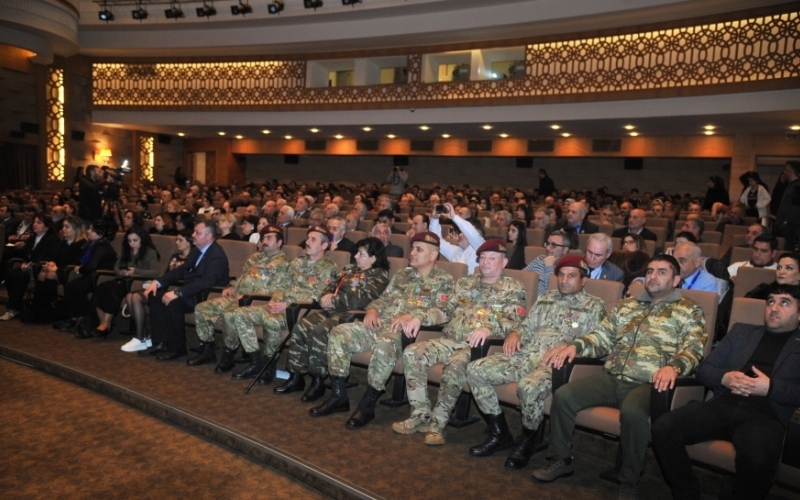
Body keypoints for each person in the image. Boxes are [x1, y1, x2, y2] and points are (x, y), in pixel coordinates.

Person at [534, 254, 707, 500]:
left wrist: (675, 367)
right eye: (649, 271)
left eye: (661, 272)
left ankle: (629, 479)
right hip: (612, 377)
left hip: (650, 383)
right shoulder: (628, 306)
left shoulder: (688, 310)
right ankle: (560, 459)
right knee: (564, 396)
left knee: (634, 413)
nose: (652, 277)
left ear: (676, 279)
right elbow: (602, 337)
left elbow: (694, 349)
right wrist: (577, 346)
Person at [651, 283, 800, 500]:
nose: (774, 308)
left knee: (757, 460)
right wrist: (725, 378)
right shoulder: (742, 332)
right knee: (663, 428)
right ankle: (687, 493)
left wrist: (770, 388)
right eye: (770, 302)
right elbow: (705, 369)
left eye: (784, 303)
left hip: (765, 416)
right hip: (723, 404)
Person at [466, 256, 606, 466]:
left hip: (557, 365)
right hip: (526, 355)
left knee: (528, 387)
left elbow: (600, 345)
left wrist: (573, 348)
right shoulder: (546, 298)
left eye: (572, 275)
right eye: (561, 275)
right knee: (475, 369)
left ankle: (528, 438)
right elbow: (526, 326)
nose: (565, 280)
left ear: (584, 280)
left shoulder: (594, 306)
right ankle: (500, 433)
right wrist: (514, 333)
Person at [394, 239, 526, 445]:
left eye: (492, 258)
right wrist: (421, 317)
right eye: (482, 257)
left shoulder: (513, 288)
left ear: (504, 262)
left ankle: (438, 424)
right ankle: (420, 415)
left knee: (455, 365)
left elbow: (514, 321)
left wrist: (489, 328)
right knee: (412, 352)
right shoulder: (465, 283)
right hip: (450, 340)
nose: (486, 262)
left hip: (480, 348)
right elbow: (445, 310)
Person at [325, 231, 454, 429]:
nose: (412, 252)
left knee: (384, 344)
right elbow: (384, 298)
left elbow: (445, 311)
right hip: (380, 323)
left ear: (433, 255)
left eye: (419, 249)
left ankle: (368, 403)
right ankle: (338, 395)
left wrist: (415, 316)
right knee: (339, 332)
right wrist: (373, 310)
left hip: (406, 333)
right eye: (412, 248)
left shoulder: (444, 280)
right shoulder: (402, 275)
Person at [279, 237, 390, 412]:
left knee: (321, 330)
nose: (356, 256)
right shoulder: (348, 270)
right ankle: (296, 376)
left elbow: (360, 300)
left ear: (373, 258)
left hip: (353, 317)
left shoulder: (379, 276)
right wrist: (326, 295)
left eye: (361, 254)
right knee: (302, 326)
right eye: (357, 252)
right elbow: (330, 285)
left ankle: (319, 380)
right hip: (333, 310)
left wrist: (334, 300)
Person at [224, 225, 339, 382]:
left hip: (300, 311)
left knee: (271, 321)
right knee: (239, 314)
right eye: (308, 238)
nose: (307, 241)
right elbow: (282, 286)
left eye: (313, 239)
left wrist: (287, 304)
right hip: (281, 305)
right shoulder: (297, 262)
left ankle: (269, 366)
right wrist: (276, 300)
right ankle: (256, 362)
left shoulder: (329, 268)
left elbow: (317, 295)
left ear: (324, 246)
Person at [189, 224, 290, 370]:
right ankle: (207, 350)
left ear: (280, 243)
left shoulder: (283, 264)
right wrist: (231, 286)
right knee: (202, 308)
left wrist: (248, 295)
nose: (264, 241)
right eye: (262, 238)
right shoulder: (254, 258)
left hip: (254, 302)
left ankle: (229, 354)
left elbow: (276, 290)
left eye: (269, 238)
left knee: (229, 315)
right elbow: (242, 278)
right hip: (236, 297)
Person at [140, 221, 230, 361]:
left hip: (207, 296)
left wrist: (177, 292)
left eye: (197, 233)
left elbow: (207, 281)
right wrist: (157, 282)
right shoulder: (196, 250)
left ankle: (177, 348)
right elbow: (182, 270)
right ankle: (161, 342)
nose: (193, 235)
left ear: (209, 236)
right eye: (194, 232)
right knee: (155, 296)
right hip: (192, 292)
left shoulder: (216, 254)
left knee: (174, 302)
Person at [121, 229, 194, 352]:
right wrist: (155, 285)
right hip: (165, 289)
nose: (176, 242)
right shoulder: (174, 257)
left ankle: (140, 338)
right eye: (176, 239)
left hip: (179, 292)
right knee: (129, 296)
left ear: (189, 242)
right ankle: (144, 336)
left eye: (180, 240)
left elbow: (185, 278)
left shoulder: (192, 258)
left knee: (136, 297)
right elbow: (166, 276)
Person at [89, 227, 160, 337]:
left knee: (114, 290)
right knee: (101, 287)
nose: (132, 243)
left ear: (142, 239)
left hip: (137, 282)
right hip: (123, 280)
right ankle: (103, 323)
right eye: (129, 241)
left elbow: (155, 272)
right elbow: (116, 267)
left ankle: (105, 324)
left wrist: (135, 271)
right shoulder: (127, 252)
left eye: (135, 240)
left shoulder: (150, 252)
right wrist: (121, 272)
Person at [53, 220, 118, 334]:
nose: (88, 231)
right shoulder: (92, 244)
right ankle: (76, 318)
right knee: (71, 286)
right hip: (91, 275)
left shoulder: (102, 246)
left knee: (76, 287)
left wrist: (80, 270)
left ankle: (84, 319)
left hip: (101, 277)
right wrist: (80, 269)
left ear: (100, 233)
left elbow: (92, 265)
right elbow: (83, 263)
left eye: (92, 230)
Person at [0, 214, 59, 321]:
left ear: (46, 226)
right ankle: (15, 305)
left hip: (39, 269)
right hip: (28, 267)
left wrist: (31, 263)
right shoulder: (32, 238)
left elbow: (50, 257)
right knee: (10, 274)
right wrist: (24, 262)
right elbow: (27, 254)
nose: (35, 225)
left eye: (39, 222)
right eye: (34, 222)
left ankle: (12, 309)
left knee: (20, 276)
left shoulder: (51, 240)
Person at [32, 216, 86, 318]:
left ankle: (50, 310)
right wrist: (52, 263)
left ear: (75, 229)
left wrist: (57, 268)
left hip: (71, 271)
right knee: (42, 272)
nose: (63, 229)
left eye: (67, 227)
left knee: (50, 275)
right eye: (63, 226)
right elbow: (57, 257)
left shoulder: (81, 243)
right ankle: (39, 309)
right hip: (60, 269)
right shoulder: (65, 242)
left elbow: (76, 262)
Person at [430, 203, 485, 274]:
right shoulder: (454, 251)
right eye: (460, 232)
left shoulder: (480, 250)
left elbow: (472, 233)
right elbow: (436, 239)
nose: (460, 235)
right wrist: (435, 218)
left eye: (464, 233)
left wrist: (454, 217)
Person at [524, 230, 573, 295]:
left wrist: (549, 267)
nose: (547, 248)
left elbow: (553, 292)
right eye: (547, 244)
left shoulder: (567, 269)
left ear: (565, 250)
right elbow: (522, 277)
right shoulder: (540, 259)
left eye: (553, 245)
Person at [775, 161, 800, 251]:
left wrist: (786, 222)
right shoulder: (790, 185)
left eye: (786, 169)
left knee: (787, 249)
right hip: (782, 224)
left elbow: (796, 207)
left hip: (789, 226)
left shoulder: (797, 186)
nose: (784, 172)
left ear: (791, 170)